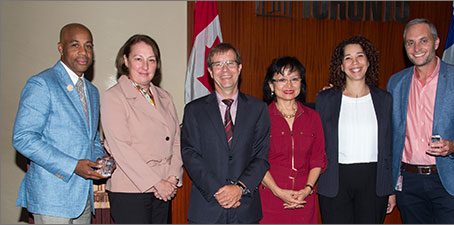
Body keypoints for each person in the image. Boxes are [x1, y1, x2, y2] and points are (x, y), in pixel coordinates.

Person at [387, 18, 454, 224]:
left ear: (436, 42)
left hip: (447, 180)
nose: (416, 48)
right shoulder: (396, 82)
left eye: (423, 41)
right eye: (410, 42)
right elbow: (388, 130)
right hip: (409, 182)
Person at [12, 23, 108, 224]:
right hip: (51, 198)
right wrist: (72, 166)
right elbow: (23, 138)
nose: (84, 52)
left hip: (83, 197)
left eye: (88, 46)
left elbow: (90, 139)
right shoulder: (42, 83)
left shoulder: (92, 92)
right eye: (75, 45)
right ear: (60, 48)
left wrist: (102, 160)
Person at [181, 43, 270, 223]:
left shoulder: (258, 109)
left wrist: (238, 189)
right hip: (207, 208)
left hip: (245, 207)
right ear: (210, 71)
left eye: (230, 63)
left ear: (239, 68)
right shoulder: (194, 110)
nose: (225, 70)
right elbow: (190, 155)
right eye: (218, 64)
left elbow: (260, 157)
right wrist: (219, 191)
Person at [100, 34, 183, 223]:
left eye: (151, 60)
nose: (145, 66)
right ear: (125, 61)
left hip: (165, 189)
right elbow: (120, 148)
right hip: (131, 189)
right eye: (138, 59)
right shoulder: (114, 97)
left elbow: (176, 140)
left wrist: (172, 178)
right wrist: (156, 183)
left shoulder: (165, 97)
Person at [316, 36, 395, 223]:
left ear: (368, 61)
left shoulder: (385, 99)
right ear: (341, 66)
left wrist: (390, 189)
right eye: (348, 58)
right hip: (335, 181)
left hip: (374, 182)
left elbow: (390, 146)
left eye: (360, 56)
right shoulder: (325, 99)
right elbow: (318, 143)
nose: (355, 62)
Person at [259, 56, 327, 223]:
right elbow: (256, 161)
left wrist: (307, 189)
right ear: (271, 85)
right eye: (282, 79)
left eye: (294, 79)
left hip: (304, 198)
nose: (289, 85)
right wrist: (278, 191)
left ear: (301, 83)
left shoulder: (313, 117)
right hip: (271, 197)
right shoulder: (260, 117)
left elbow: (318, 159)